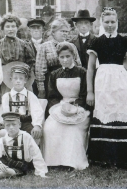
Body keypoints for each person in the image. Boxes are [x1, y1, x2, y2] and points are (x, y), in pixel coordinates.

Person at [86, 7, 127, 167]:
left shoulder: (124, 42)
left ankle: (126, 157)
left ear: (117, 22)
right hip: (103, 83)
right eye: (107, 22)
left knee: (121, 112)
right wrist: (90, 92)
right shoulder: (96, 42)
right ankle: (103, 157)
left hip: (121, 83)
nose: (110, 25)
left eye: (113, 22)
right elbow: (90, 68)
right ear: (101, 23)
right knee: (104, 114)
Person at [42, 42, 90, 170]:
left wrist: (75, 106)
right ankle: (53, 161)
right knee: (50, 128)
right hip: (60, 106)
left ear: (73, 56)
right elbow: (52, 96)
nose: (65, 60)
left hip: (79, 107)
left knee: (72, 130)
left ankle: (70, 162)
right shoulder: (54, 74)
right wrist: (59, 107)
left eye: (68, 56)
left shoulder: (82, 72)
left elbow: (85, 94)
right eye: (62, 57)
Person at [0, 112, 48, 179]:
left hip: (20, 166)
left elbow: (36, 154)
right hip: (7, 164)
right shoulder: (3, 140)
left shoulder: (26, 137)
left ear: (19, 125)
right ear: (4, 126)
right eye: (8, 125)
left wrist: (41, 172)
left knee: (8, 172)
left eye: (14, 124)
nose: (11, 128)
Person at [35, 18, 80, 100]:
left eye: (66, 31)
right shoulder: (45, 46)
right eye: (62, 31)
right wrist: (41, 89)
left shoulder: (72, 46)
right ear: (53, 32)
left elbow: (78, 65)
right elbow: (39, 70)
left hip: (69, 80)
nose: (64, 33)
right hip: (51, 82)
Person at [0, 14, 36, 93]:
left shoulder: (25, 45)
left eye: (13, 26)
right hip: (5, 80)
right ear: (3, 28)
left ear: (17, 27)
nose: (10, 29)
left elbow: (31, 63)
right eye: (7, 27)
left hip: (22, 79)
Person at [0, 63, 43, 141]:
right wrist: (6, 123)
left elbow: (36, 110)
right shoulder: (6, 96)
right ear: (11, 79)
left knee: (32, 134)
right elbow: (3, 113)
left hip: (26, 123)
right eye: (15, 78)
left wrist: (37, 125)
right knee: (5, 134)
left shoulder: (30, 95)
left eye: (21, 78)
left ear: (25, 80)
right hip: (11, 123)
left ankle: (28, 152)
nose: (18, 81)